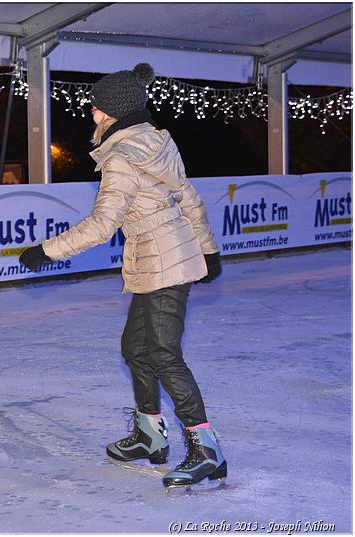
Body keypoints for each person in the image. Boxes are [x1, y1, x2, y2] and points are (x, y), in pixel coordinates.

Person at [19, 63, 225, 489]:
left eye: (96, 108)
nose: (92, 113)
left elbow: (101, 225)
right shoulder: (158, 143)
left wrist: (46, 250)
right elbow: (189, 197)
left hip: (164, 260)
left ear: (113, 112)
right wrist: (206, 250)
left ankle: (207, 449)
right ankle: (150, 435)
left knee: (163, 353)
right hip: (162, 258)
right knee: (135, 347)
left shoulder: (121, 157)